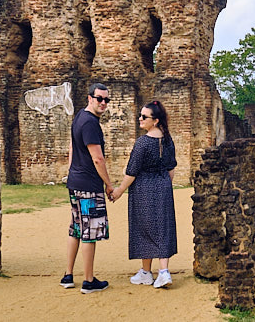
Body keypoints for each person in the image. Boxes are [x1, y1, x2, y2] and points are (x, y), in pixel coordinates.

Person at [111, 100, 177, 289]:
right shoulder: (167, 140)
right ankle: (159, 271)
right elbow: (171, 169)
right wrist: (163, 185)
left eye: (144, 117)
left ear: (155, 121)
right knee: (162, 226)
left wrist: (119, 191)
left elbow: (132, 171)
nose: (140, 119)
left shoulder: (143, 143)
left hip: (144, 189)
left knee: (143, 228)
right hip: (163, 186)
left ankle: (150, 272)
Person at [60, 83, 115, 293]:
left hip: (76, 182)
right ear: (90, 98)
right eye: (99, 98)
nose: (103, 103)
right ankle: (89, 280)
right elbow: (98, 159)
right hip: (89, 185)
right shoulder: (90, 123)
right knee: (89, 231)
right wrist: (108, 185)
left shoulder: (79, 118)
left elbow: (72, 149)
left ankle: (68, 275)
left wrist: (71, 172)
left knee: (76, 228)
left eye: (106, 100)